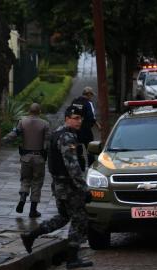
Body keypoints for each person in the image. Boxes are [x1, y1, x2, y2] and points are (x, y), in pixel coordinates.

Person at [20, 105, 93, 269]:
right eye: (75, 118)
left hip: (59, 185)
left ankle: (31, 235)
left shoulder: (57, 133)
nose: (78, 121)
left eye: (80, 118)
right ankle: (73, 258)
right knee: (80, 219)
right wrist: (84, 188)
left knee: (63, 217)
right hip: (69, 187)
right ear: (67, 118)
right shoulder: (67, 137)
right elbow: (72, 166)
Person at [2, 103, 50, 218]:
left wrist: (2, 140)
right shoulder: (45, 124)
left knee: (25, 179)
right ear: (39, 112)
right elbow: (48, 141)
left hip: (25, 158)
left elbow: (13, 134)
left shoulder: (22, 122)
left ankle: (23, 197)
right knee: (37, 182)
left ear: (29, 111)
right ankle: (33, 210)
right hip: (39, 158)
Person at [71, 87, 101, 171]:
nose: (91, 97)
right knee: (90, 149)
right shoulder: (88, 103)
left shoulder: (74, 101)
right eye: (91, 95)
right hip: (86, 130)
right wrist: (96, 125)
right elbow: (91, 116)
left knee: (78, 149)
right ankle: (91, 167)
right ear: (88, 94)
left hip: (76, 130)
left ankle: (81, 167)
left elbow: (70, 113)